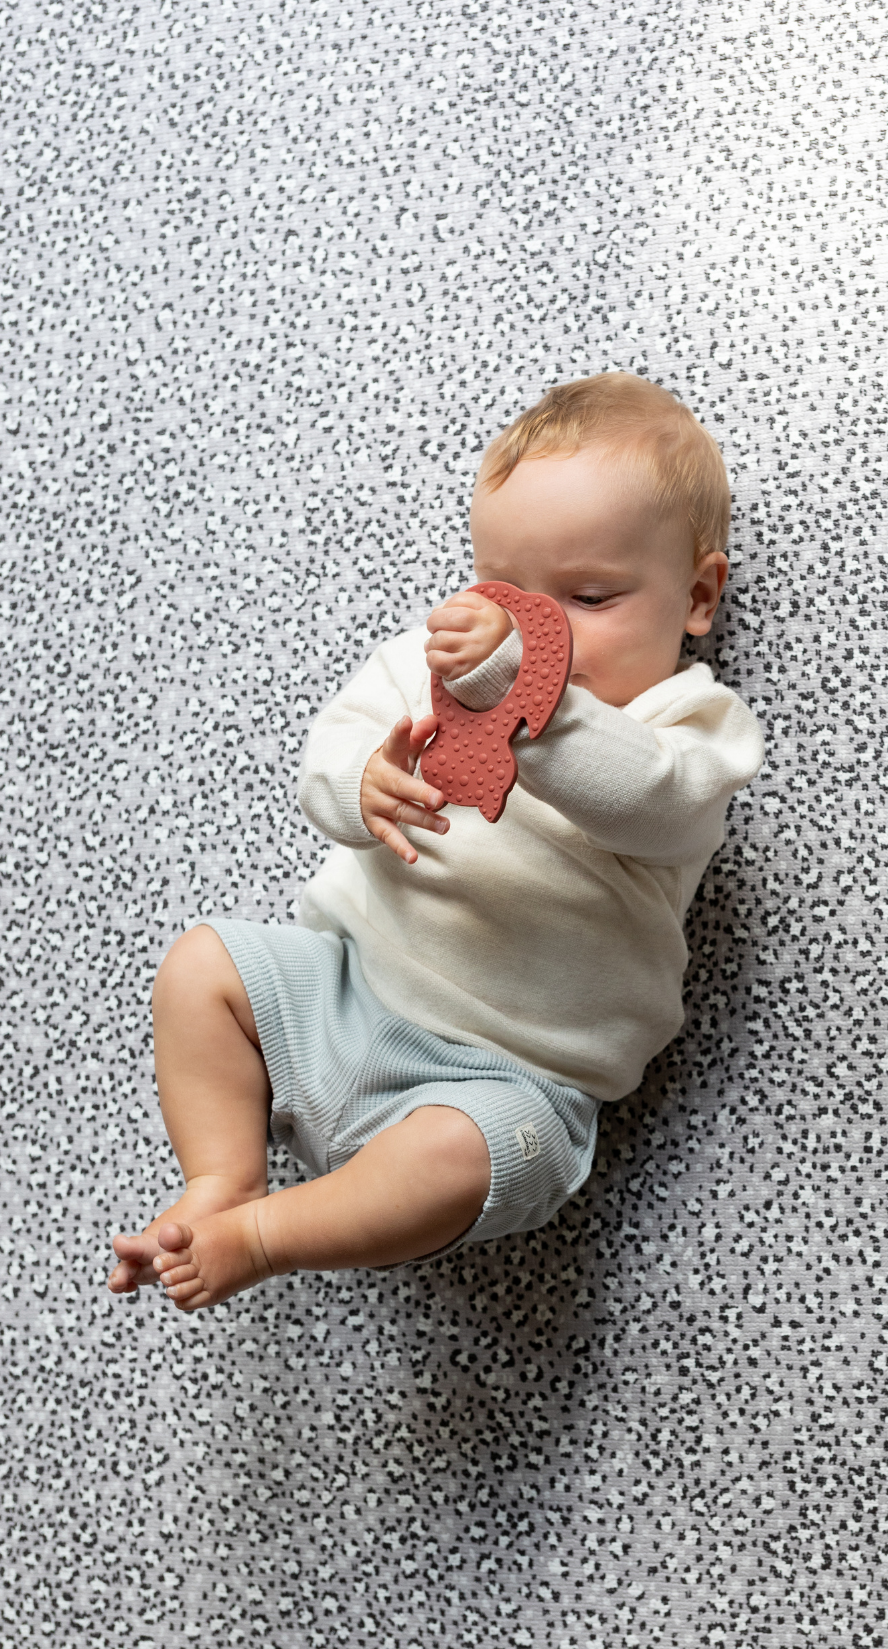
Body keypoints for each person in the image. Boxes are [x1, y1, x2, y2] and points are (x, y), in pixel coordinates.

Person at [107, 373, 764, 1310]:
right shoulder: (433, 661)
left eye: (585, 597)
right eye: (503, 594)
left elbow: (648, 800)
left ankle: (265, 1235)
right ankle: (223, 1179)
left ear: (697, 596)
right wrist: (360, 784)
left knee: (458, 1156)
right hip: (342, 992)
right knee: (201, 966)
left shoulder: (690, 724)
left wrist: (525, 701)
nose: (529, 633)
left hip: (511, 1076)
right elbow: (330, 752)